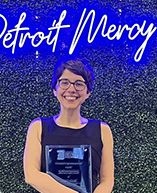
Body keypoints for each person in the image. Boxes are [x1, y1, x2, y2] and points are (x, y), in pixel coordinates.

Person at [23, 57, 114, 193]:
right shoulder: (38, 127)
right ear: (55, 89)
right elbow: (31, 176)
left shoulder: (102, 130)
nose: (71, 89)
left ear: (88, 92)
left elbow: (107, 181)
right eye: (64, 82)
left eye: (79, 84)